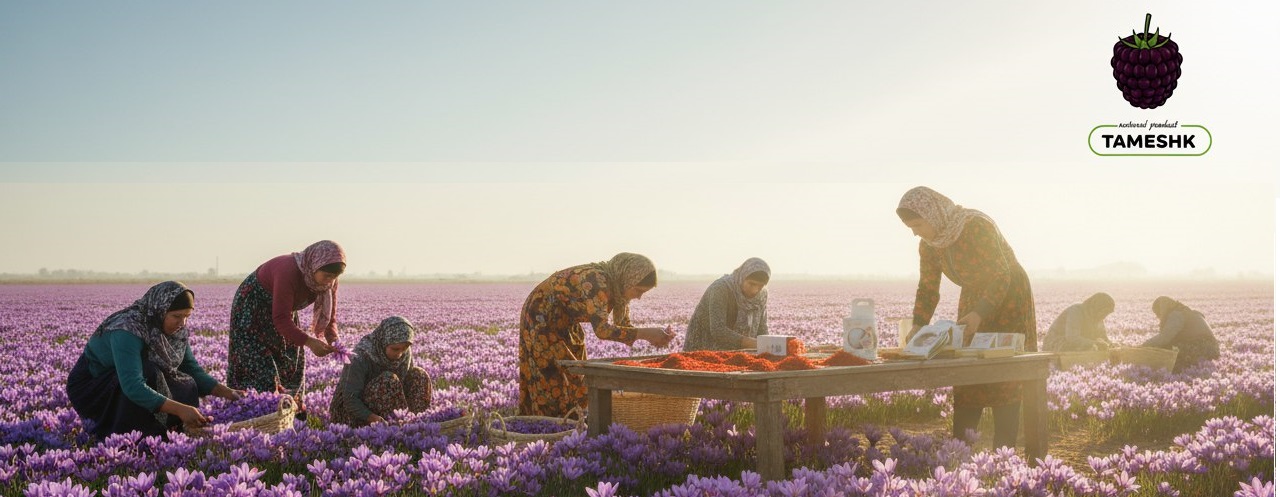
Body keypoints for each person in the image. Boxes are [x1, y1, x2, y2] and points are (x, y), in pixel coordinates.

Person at [897, 186, 1037, 449]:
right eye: (911, 228)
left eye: (917, 224)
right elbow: (928, 287)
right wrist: (919, 324)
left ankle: (1003, 450)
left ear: (933, 214)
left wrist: (979, 313)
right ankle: (962, 449)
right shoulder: (928, 245)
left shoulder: (976, 226)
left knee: (1003, 368)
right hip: (974, 297)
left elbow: (1000, 274)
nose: (915, 232)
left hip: (1008, 296)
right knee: (968, 370)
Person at [66, 281, 243, 438]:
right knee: (150, 373)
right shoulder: (127, 329)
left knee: (186, 382)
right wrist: (180, 409)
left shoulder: (176, 331)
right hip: (92, 386)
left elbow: (191, 369)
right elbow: (132, 385)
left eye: (187, 316)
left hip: (127, 379)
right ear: (160, 310)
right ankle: (125, 435)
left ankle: (170, 432)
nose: (182, 323)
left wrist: (228, 392)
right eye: (176, 316)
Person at [518, 252, 675, 417]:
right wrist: (646, 334)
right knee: (551, 377)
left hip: (566, 322)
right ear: (628, 278)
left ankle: (573, 423)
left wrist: (656, 337)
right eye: (638, 290)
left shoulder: (618, 288)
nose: (639, 297)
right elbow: (602, 330)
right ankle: (549, 427)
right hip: (541, 318)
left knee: (577, 375)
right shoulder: (596, 281)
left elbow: (624, 326)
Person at [227, 240, 345, 413]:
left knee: (292, 360)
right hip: (253, 309)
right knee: (260, 364)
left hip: (284, 310)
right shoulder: (288, 271)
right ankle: (255, 414)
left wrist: (335, 343)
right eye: (327, 275)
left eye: (334, 277)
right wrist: (310, 342)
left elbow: (330, 318)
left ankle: (290, 416)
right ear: (314, 265)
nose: (330, 281)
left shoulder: (330, 281)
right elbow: (281, 318)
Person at [329, 316, 432, 426]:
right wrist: (372, 418)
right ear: (383, 341)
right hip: (353, 414)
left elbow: (407, 384)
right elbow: (350, 399)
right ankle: (390, 429)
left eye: (404, 348)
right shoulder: (361, 356)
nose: (400, 354)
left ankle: (417, 423)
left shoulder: (403, 351)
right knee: (388, 380)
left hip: (390, 404)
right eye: (395, 349)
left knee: (419, 375)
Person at [683, 257, 771, 351]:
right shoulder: (721, 288)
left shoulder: (761, 295)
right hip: (704, 348)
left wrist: (765, 344)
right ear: (742, 277)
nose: (755, 290)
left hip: (739, 350)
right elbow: (718, 330)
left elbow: (762, 327)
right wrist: (751, 343)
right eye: (751, 284)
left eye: (760, 286)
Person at [1142, 296, 1220, 371]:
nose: (1158, 317)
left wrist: (1144, 346)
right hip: (1212, 349)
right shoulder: (1186, 311)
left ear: (1162, 309)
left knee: (1167, 352)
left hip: (1202, 348)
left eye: (1158, 313)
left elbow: (1165, 338)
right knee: (1170, 347)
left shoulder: (1176, 315)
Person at [1043, 293, 1115, 352]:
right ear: (1097, 307)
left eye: (1107, 313)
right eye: (1104, 312)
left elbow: (1103, 337)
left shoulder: (1097, 317)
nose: (1105, 316)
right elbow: (1072, 338)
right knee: (1090, 349)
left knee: (1100, 349)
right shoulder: (1076, 311)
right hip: (1057, 344)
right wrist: (1095, 343)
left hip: (1075, 344)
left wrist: (1110, 344)